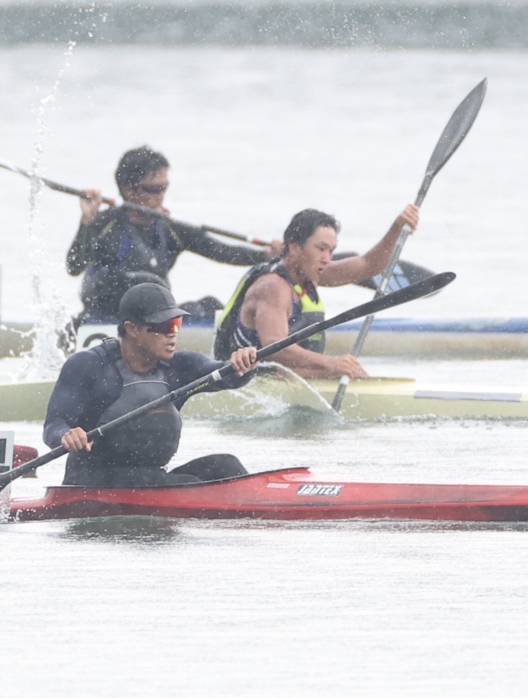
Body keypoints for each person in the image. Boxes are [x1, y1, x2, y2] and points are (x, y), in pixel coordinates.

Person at [43, 282, 262, 487]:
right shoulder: (89, 365)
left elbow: (227, 376)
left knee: (226, 465)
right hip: (91, 483)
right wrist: (66, 435)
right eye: (164, 326)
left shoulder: (180, 367)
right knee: (186, 483)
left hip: (152, 480)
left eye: (176, 324)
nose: (172, 334)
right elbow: (54, 425)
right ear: (132, 329)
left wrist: (243, 364)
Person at [66, 145, 278, 322]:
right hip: (106, 314)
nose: (161, 196)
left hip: (154, 315)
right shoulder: (102, 223)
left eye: (164, 188)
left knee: (210, 307)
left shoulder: (171, 228)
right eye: (153, 189)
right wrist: (86, 223)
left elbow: (221, 251)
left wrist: (266, 255)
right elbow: (73, 266)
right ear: (129, 189)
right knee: (119, 281)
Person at [213, 205, 421, 379]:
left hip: (286, 375)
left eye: (331, 250)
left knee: (345, 373)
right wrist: (331, 363)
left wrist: (396, 229)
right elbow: (276, 347)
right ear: (295, 248)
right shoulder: (272, 287)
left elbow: (368, 265)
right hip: (246, 381)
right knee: (337, 371)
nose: (327, 258)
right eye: (321, 248)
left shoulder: (311, 274)